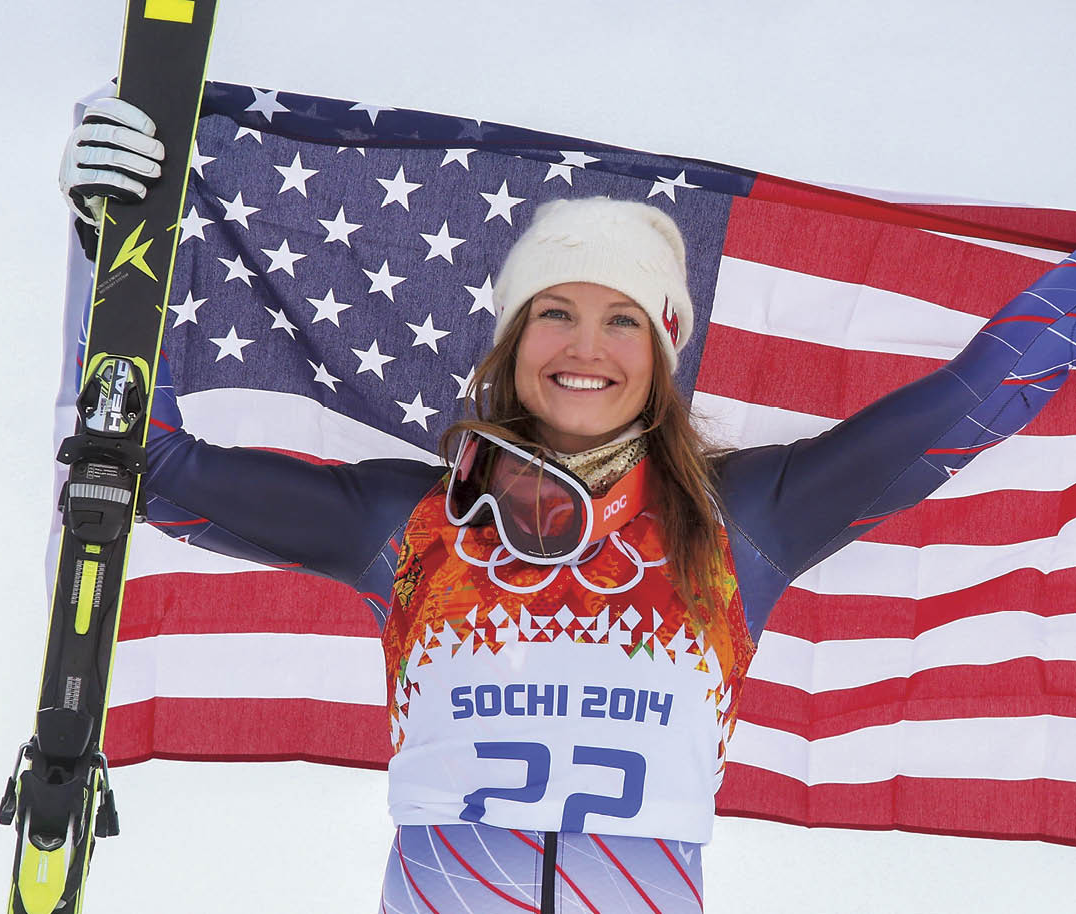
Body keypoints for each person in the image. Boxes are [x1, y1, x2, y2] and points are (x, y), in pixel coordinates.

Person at [60, 99, 1075, 913]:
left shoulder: (741, 522)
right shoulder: (409, 525)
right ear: (511, 343)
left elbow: (970, 403)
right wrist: (111, 248)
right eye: (556, 311)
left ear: (663, 356)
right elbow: (132, 469)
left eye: (622, 319)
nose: (586, 347)